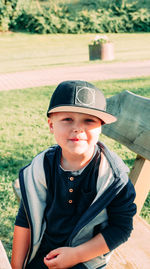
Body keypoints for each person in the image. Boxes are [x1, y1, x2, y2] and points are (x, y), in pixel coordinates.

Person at [11, 80, 136, 269]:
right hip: (44, 250)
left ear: (101, 126)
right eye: (67, 119)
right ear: (51, 125)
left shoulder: (113, 177)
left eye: (89, 120)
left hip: (86, 256)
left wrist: (76, 255)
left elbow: (121, 228)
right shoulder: (42, 167)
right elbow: (25, 218)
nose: (77, 128)